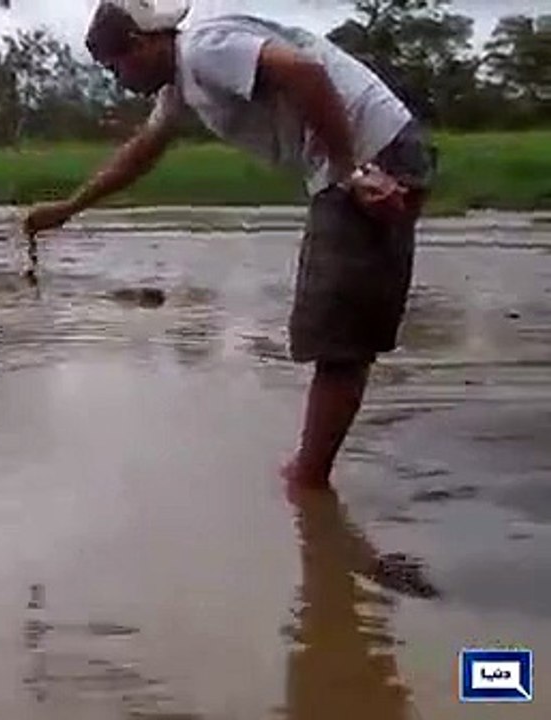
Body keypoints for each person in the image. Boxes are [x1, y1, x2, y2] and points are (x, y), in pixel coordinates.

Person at [22, 0, 436, 490]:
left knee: (336, 336)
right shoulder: (182, 85)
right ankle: (310, 477)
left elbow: (304, 72)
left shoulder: (205, 50)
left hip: (370, 154)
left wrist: (350, 171)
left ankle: (307, 482)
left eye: (116, 68)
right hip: (370, 152)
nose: (119, 82)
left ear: (140, 44)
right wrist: (69, 208)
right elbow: (141, 153)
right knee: (342, 333)